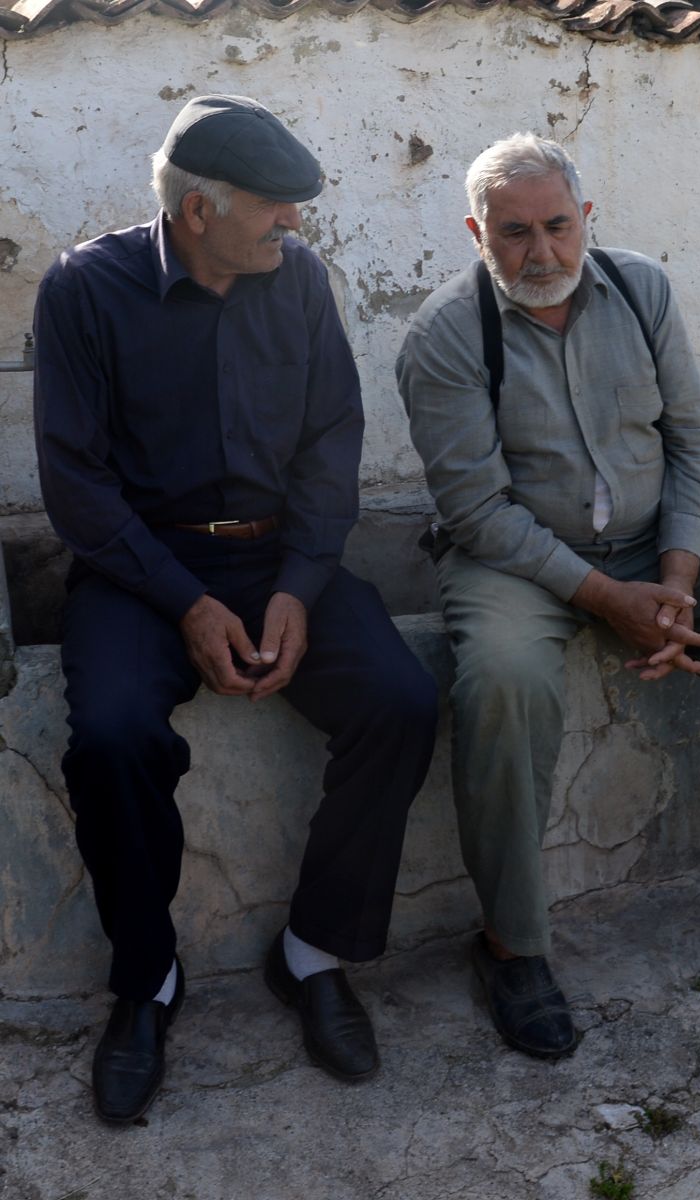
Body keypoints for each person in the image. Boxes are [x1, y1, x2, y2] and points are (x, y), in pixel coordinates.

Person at [33, 94, 439, 1124]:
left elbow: (331, 441)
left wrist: (301, 588)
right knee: (114, 736)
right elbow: (77, 487)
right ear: (200, 211)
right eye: (274, 207)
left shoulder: (297, 281)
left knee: (398, 698)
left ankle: (310, 952)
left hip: (280, 558)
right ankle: (147, 979)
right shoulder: (85, 290)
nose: (295, 226)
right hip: (139, 571)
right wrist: (188, 606)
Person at [396, 132, 700, 1059]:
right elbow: (475, 509)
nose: (541, 252)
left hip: (660, 535)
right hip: (519, 555)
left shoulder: (641, 289)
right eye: (513, 234)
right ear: (479, 233)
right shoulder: (444, 333)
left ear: (586, 219)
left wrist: (674, 581)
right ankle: (512, 946)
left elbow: (695, 440)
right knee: (505, 686)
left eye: (558, 226)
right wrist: (605, 596)